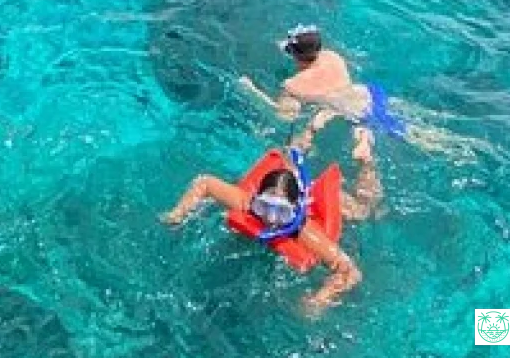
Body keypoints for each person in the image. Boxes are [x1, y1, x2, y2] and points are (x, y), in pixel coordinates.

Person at [161, 133, 381, 313]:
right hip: (286, 186)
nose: (271, 219)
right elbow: (205, 182)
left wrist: (319, 300)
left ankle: (366, 157)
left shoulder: (303, 231)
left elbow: (350, 271)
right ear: (257, 199)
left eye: (282, 212)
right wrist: (178, 214)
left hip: (322, 200)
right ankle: (307, 135)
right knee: (293, 152)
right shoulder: (246, 203)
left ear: (294, 212)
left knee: (364, 207)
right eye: (265, 207)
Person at [239, 25, 405, 152]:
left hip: (352, 114)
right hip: (370, 95)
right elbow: (307, 50)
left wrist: (251, 91)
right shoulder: (333, 57)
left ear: (294, 56)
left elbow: (285, 116)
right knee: (416, 133)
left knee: (295, 144)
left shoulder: (292, 85)